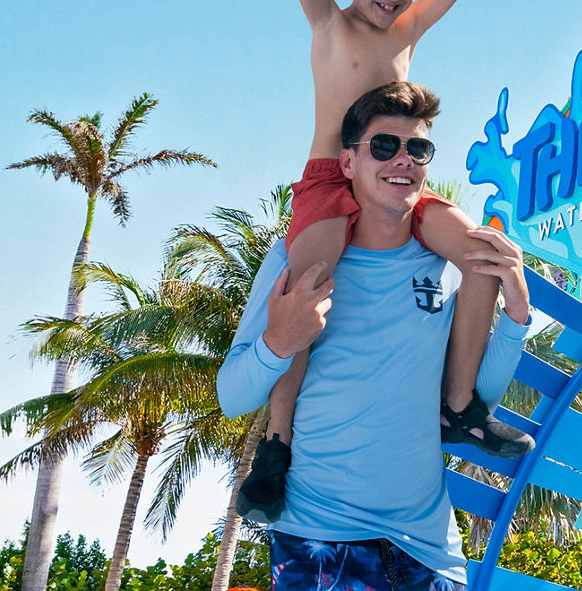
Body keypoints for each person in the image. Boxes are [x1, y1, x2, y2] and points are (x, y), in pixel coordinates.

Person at [238, 0, 531, 522]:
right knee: (304, 290)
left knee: (486, 255)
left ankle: (458, 405)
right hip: (328, 181)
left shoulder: (410, 23)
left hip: (399, 177)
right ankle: (276, 447)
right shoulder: (328, 20)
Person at [218, 81, 531, 590]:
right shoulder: (292, 259)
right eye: (384, 146)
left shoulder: (451, 265)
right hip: (317, 540)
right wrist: (278, 342)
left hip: (429, 550)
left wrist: (516, 316)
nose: (403, 160)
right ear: (347, 164)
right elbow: (231, 396)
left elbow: (477, 399)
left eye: (418, 149)